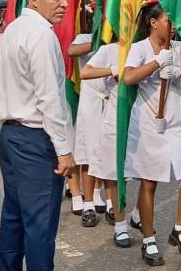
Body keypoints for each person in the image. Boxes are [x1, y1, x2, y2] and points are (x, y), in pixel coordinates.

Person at [0, 0, 77, 271]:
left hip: (12, 134)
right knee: (39, 224)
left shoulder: (13, 28)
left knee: (13, 217)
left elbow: (0, 84)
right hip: (35, 138)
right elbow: (49, 97)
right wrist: (64, 149)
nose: (64, 4)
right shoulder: (41, 34)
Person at [122, 2, 181, 266]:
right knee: (149, 182)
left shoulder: (180, 47)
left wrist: (179, 71)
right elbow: (129, 77)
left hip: (176, 120)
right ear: (154, 23)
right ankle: (148, 240)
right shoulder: (139, 48)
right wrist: (156, 63)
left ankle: (180, 228)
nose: (172, 25)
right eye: (168, 20)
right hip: (148, 122)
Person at [80, 38, 135, 245]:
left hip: (141, 116)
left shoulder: (143, 47)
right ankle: (108, 214)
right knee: (107, 167)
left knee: (146, 175)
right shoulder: (110, 49)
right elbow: (86, 72)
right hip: (109, 111)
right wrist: (112, 69)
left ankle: (135, 215)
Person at [68, 32, 108, 223]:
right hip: (89, 100)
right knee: (87, 151)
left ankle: (104, 197)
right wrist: (99, 40)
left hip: (111, 99)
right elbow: (72, 51)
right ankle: (88, 203)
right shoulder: (85, 37)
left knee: (105, 151)